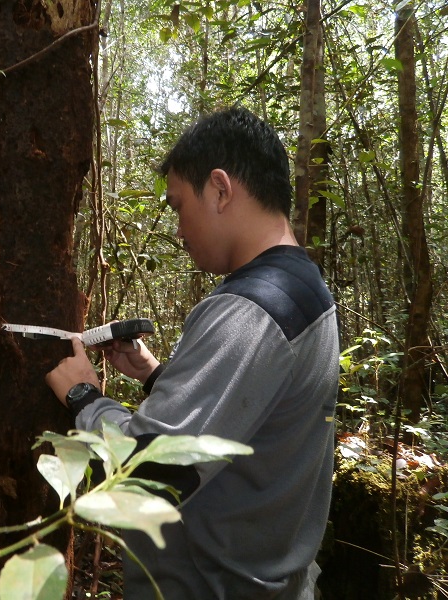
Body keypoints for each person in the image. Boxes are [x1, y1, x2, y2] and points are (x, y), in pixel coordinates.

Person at [45, 106, 340, 599]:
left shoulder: (250, 310)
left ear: (221, 190)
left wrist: (84, 396)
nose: (179, 229)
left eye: (179, 205)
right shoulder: (304, 291)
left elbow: (150, 473)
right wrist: (155, 375)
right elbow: (251, 421)